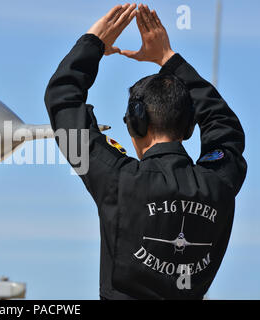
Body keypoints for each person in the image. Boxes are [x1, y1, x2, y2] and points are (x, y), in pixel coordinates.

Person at [44, 3, 247, 299]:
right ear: (190, 127)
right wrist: (168, 58)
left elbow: (61, 100)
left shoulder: (118, 180)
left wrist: (93, 43)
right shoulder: (219, 184)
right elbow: (224, 127)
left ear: (136, 124)